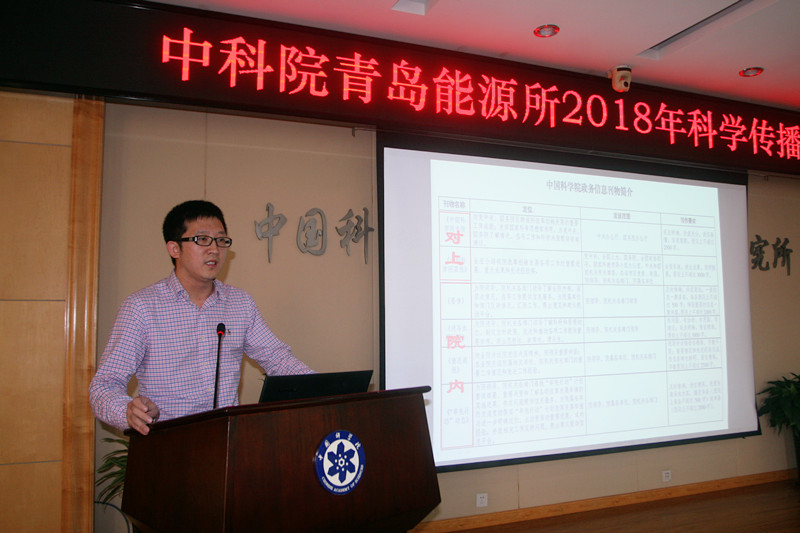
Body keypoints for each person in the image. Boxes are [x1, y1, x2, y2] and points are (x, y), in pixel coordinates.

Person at [90, 200, 313, 435]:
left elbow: (277, 359)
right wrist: (127, 411)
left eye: (221, 240)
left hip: (227, 441)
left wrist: (325, 389)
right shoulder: (142, 308)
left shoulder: (239, 303)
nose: (214, 249)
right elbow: (104, 385)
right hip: (168, 443)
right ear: (174, 249)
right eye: (202, 239)